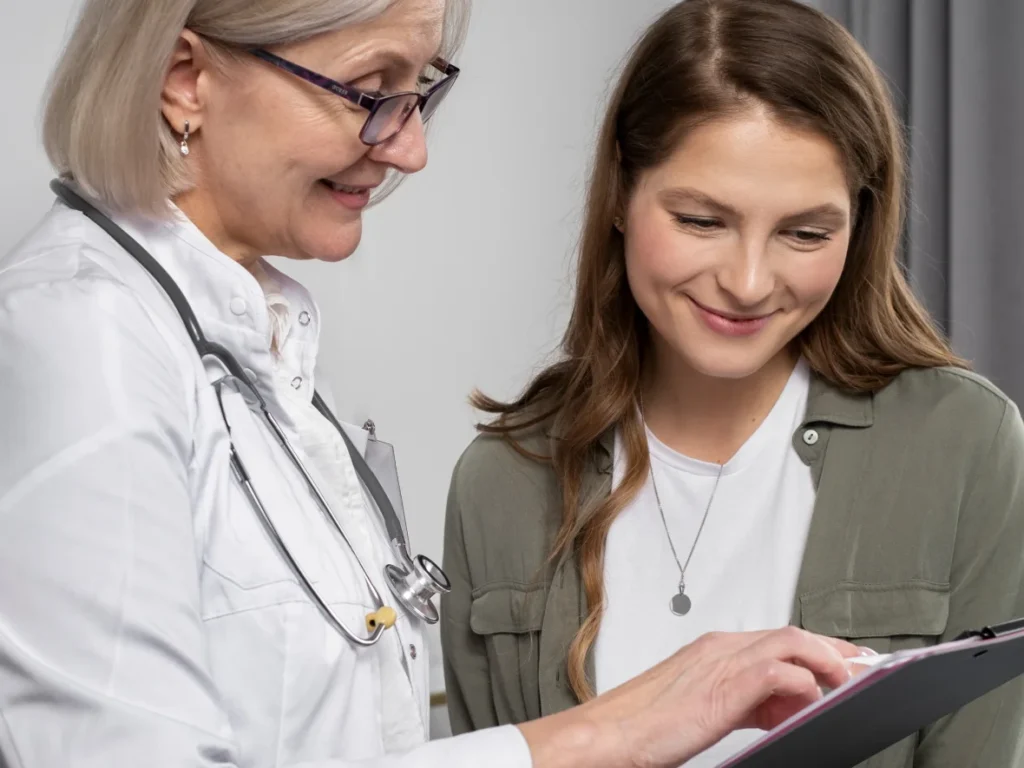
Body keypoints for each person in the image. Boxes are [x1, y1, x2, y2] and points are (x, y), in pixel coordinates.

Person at [0, 0, 870, 766]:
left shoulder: (252, 342)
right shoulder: (81, 339)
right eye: (371, 91)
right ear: (186, 78)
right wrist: (602, 737)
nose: (410, 147)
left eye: (420, 93)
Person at [440, 0, 1024, 766]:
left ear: (861, 222)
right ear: (619, 194)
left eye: (805, 233)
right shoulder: (503, 481)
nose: (748, 283)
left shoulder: (962, 446)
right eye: (701, 221)